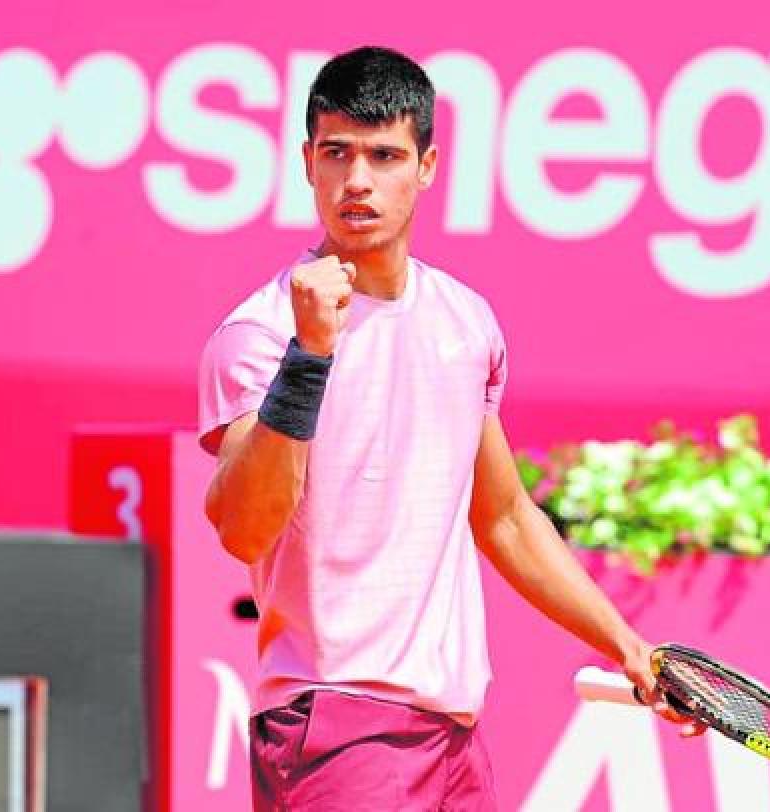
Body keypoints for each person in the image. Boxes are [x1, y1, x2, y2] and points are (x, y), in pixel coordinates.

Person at [198, 45, 703, 811]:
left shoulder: (466, 324)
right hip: (337, 724)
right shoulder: (260, 333)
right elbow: (243, 527)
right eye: (336, 153)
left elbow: (502, 517)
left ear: (427, 166)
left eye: (384, 155)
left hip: (452, 736)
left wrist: (628, 648)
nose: (357, 180)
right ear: (307, 162)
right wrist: (310, 356)